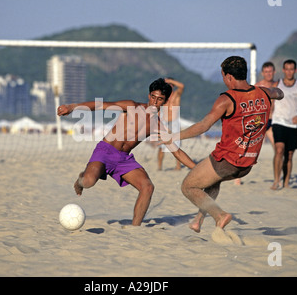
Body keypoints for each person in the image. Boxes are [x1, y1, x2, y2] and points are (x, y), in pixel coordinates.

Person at [159, 56, 284, 233]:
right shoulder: (263, 93)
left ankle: (220, 215)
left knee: (188, 186)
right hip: (247, 165)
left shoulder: (227, 99)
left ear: (230, 77)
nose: (224, 80)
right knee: (213, 182)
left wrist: (174, 137)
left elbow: (203, 126)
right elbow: (278, 93)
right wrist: (276, 93)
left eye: (223, 76)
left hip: (228, 160)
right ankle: (198, 221)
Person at [57, 78, 196, 226]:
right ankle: (80, 179)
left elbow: (177, 152)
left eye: (160, 99)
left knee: (147, 187)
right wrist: (72, 107)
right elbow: (101, 105)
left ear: (166, 101)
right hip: (105, 151)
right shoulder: (131, 106)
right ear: (149, 95)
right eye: (153, 97)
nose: (155, 102)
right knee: (88, 182)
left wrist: (197, 169)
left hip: (123, 159)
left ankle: (134, 228)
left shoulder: (158, 125)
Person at [233, 61, 277, 186]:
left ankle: (278, 177)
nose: (269, 74)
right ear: (263, 73)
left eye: (270, 71)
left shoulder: (278, 85)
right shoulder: (258, 86)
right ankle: (238, 177)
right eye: (266, 72)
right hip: (259, 122)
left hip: (273, 121)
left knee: (278, 149)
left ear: (274, 72)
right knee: (246, 149)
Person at [270, 59, 297, 190]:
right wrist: (269, 115)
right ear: (283, 70)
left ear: (295, 70)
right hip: (278, 121)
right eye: (287, 69)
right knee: (279, 149)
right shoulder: (277, 84)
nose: (289, 71)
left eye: (291, 69)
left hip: (293, 124)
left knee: (289, 154)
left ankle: (286, 182)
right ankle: (276, 181)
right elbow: (271, 103)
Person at [157, 77, 184, 171]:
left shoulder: (176, 94)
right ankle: (159, 167)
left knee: (176, 144)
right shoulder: (163, 96)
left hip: (174, 120)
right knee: (162, 145)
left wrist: (170, 81)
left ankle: (178, 166)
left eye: (169, 85)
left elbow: (182, 86)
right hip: (164, 121)